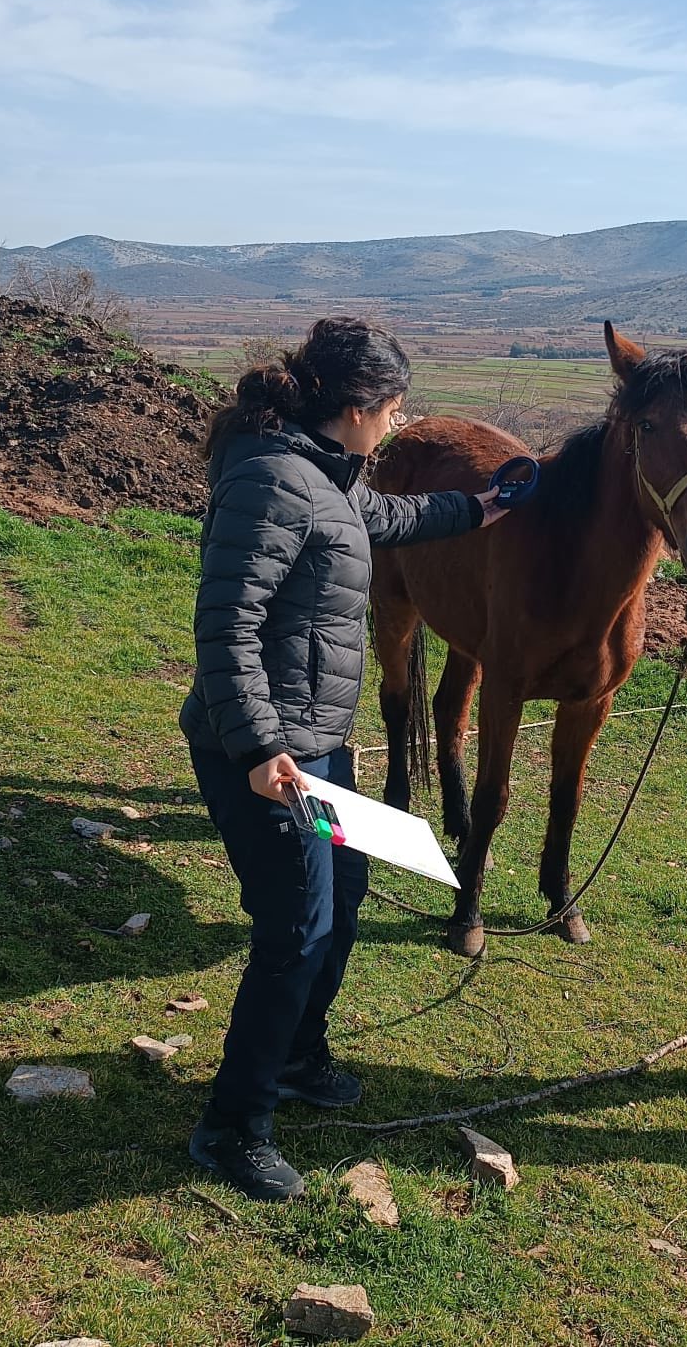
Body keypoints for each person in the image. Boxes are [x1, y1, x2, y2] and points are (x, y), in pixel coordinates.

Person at [180, 317, 505, 1201]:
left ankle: (296, 1056)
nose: (399, 425)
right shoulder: (270, 482)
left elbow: (388, 517)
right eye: (395, 410)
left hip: (316, 741)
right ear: (358, 407)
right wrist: (259, 747)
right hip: (264, 753)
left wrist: (481, 507)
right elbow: (226, 626)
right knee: (295, 929)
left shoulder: (325, 473)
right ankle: (232, 1127)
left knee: (346, 896)